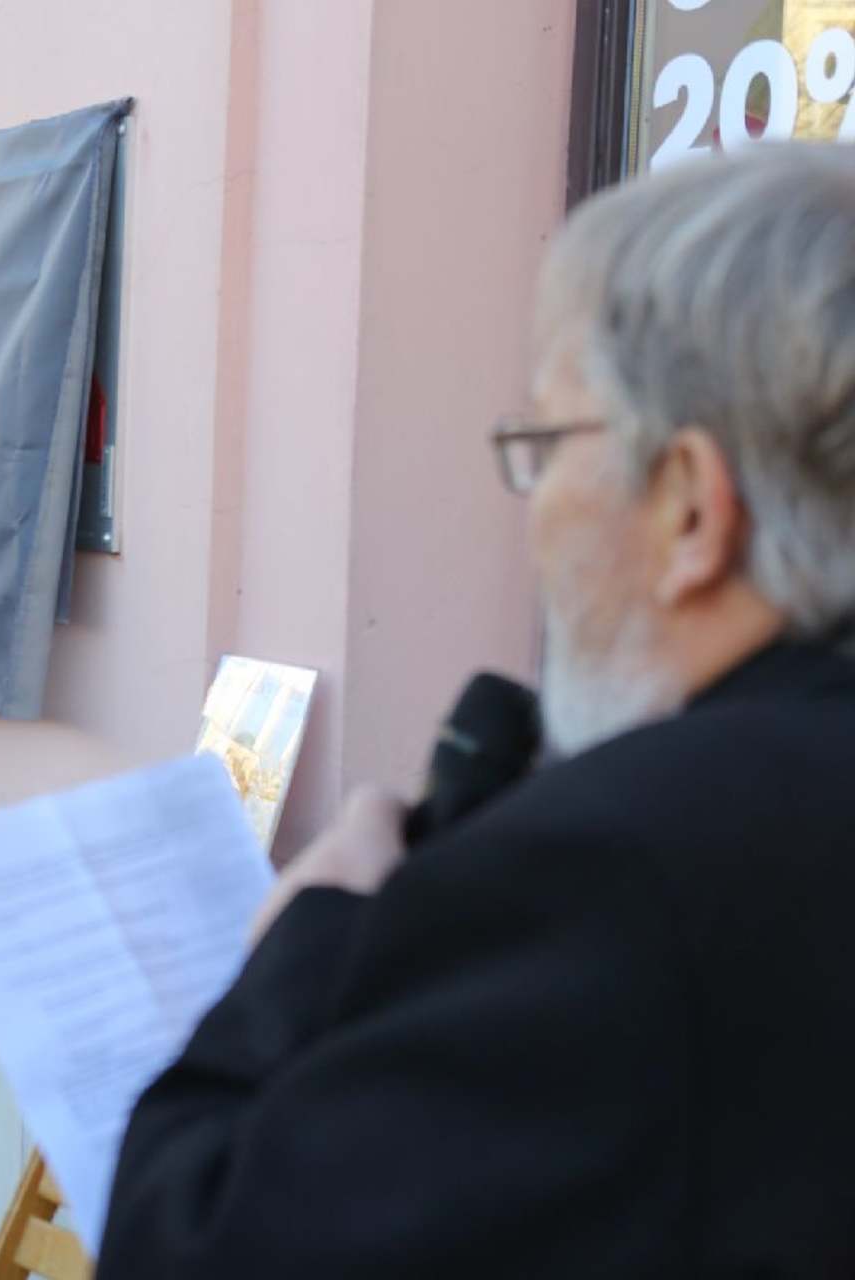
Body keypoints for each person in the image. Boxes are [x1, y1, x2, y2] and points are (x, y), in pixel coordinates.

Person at [97, 144, 855, 1277]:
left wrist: (306, 944)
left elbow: (193, 1248)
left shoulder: (606, 872)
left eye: (545, 445)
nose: (530, 509)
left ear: (691, 506)